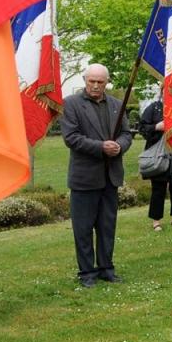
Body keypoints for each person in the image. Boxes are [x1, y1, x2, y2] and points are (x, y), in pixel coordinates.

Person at [61, 64, 134, 287]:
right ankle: (86, 273)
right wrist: (101, 147)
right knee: (83, 229)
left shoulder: (116, 105)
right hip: (85, 178)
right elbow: (71, 138)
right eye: (91, 81)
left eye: (100, 82)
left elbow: (126, 134)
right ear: (85, 80)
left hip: (110, 176)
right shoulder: (71, 104)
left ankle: (106, 268)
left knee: (107, 226)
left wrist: (119, 146)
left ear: (106, 82)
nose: (95, 85)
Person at [138, 97, 172, 231]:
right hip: (159, 154)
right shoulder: (154, 108)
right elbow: (142, 128)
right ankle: (156, 221)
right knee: (158, 188)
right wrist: (157, 127)